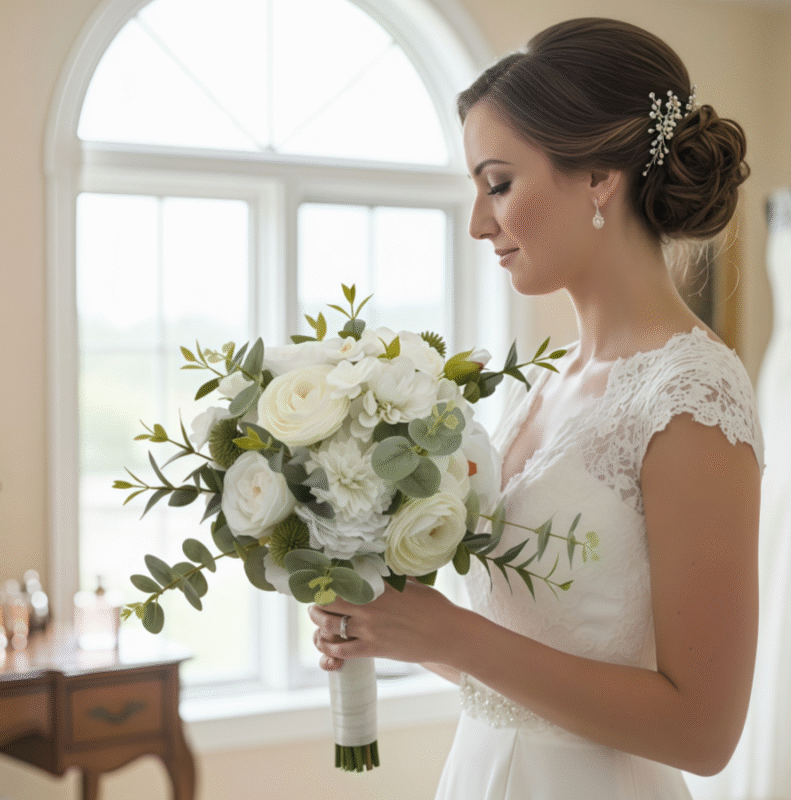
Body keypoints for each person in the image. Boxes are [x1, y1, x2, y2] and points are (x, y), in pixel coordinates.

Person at [309, 17, 763, 799]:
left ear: (599, 178)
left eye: (498, 184)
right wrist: (400, 628)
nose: (478, 222)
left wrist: (453, 633)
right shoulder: (540, 385)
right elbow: (522, 664)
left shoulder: (692, 396)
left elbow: (705, 732)